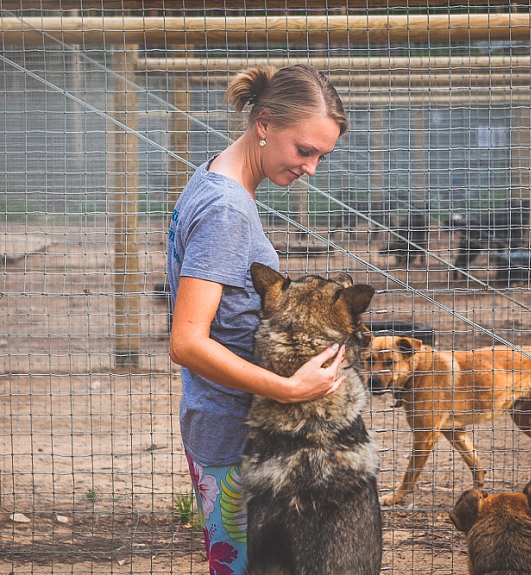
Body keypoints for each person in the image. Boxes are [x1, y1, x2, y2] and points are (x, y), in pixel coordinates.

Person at [166, 64, 349, 575]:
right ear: (264, 123)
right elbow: (187, 342)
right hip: (230, 435)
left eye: (321, 156)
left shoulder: (216, 179)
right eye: (304, 150)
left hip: (223, 422)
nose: (311, 167)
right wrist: (289, 389)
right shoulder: (227, 210)